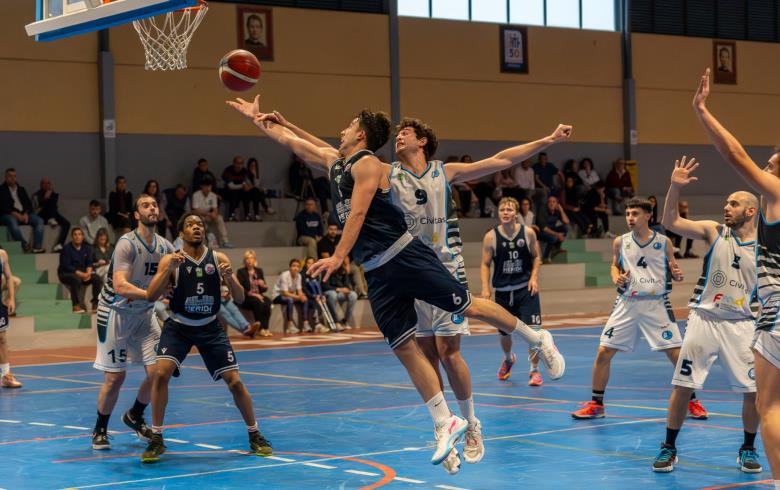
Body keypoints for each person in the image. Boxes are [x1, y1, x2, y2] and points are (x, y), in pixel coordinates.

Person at [229, 96, 566, 466]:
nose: (400, 137)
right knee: (417, 352)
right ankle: (444, 425)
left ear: (421, 141)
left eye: (406, 133)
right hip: (385, 268)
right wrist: (277, 123)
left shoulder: (433, 170)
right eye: (397, 132)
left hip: (428, 261)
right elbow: (319, 150)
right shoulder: (382, 169)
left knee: (451, 351)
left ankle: (495, 391)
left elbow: (500, 161)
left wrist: (547, 140)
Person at [693, 67, 780, 488]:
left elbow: (735, 155)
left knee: (770, 406)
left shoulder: (777, 195)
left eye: (772, 164)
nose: (764, 167)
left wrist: (703, 111)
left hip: (777, 316)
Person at [650, 156, 761, 473]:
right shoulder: (715, 232)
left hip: (742, 324)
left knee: (752, 392)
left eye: (734, 204)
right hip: (704, 319)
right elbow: (670, 222)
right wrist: (674, 186)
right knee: (683, 386)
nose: (727, 207)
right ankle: (668, 447)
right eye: (726, 203)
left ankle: (748, 449)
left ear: (750, 211)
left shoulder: (766, 246)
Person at [140, 212, 273, 462]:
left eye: (199, 225)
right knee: (160, 373)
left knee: (235, 381)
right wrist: (166, 270)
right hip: (179, 326)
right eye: (190, 225)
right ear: (181, 234)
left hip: (210, 327)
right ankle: (156, 437)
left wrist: (229, 278)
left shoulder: (218, 258)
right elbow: (150, 295)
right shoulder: (172, 259)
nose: (196, 228)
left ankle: (255, 433)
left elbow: (241, 297)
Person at [570, 198, 707, 420]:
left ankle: (692, 401)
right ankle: (597, 404)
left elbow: (673, 267)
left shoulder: (663, 242)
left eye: (635, 213)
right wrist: (617, 277)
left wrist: (676, 274)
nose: (630, 218)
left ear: (647, 216)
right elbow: (614, 265)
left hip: (657, 304)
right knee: (604, 352)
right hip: (627, 303)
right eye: (627, 214)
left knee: (676, 354)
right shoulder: (620, 242)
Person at [90, 195, 174, 450]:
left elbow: (174, 280)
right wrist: (150, 294)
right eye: (146, 205)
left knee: (159, 372)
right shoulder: (127, 244)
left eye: (155, 205)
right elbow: (119, 285)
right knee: (115, 378)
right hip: (115, 312)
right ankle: (100, 429)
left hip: (145, 314)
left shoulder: (166, 247)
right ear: (137, 215)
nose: (152, 208)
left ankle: (135, 414)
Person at [481, 198, 544, 387]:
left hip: (525, 290)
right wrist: (485, 288)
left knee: (534, 333)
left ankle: (534, 370)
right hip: (502, 292)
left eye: (509, 209)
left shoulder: (528, 233)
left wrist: (533, 278)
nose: (505, 212)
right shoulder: (491, 237)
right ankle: (509, 359)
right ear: (498, 213)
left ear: (516, 214)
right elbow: (484, 264)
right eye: (502, 209)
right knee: (504, 334)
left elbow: (537, 257)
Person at [0, 168, 45, 253]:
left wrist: (26, 214)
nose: (13, 178)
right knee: (11, 221)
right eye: (10, 176)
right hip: (9, 214)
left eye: (14, 176)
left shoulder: (21, 189)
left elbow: (28, 204)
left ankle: (37, 247)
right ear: (5, 177)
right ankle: (25, 245)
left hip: (24, 214)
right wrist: (15, 214)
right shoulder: (1, 190)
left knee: (39, 220)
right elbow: (2, 206)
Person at [58, 228, 103, 313]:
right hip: (67, 273)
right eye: (75, 234)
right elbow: (66, 266)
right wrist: (82, 275)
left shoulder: (86, 248)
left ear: (82, 237)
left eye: (79, 234)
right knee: (76, 279)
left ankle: (96, 304)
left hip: (83, 272)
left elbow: (89, 262)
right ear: (72, 237)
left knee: (97, 278)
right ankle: (76, 305)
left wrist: (88, 273)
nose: (77, 236)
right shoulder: (66, 248)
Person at [236, 250, 272, 337]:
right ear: (244, 260)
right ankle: (260, 329)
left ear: (254, 260)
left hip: (258, 296)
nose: (249, 260)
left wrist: (264, 286)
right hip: (246, 298)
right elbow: (240, 289)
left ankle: (266, 328)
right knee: (257, 302)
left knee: (267, 302)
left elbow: (263, 289)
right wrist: (254, 295)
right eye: (247, 258)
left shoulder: (259, 271)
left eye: (251, 258)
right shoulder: (241, 272)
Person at [191, 177, 234, 248]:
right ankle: (203, 241)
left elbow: (215, 208)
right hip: (199, 216)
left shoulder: (213, 195)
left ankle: (225, 241)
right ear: (202, 186)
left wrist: (214, 213)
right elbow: (196, 210)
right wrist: (208, 214)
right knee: (199, 219)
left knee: (219, 218)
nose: (208, 188)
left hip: (208, 215)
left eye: (209, 186)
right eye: (206, 186)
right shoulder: (196, 195)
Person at [32, 177, 70, 252]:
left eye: (48, 183)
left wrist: (51, 195)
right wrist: (45, 198)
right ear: (41, 185)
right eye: (44, 183)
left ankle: (59, 245)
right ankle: (51, 219)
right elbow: (36, 208)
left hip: (53, 214)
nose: (46, 185)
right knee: (48, 206)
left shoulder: (53, 194)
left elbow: (54, 206)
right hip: (42, 215)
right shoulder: (36, 195)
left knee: (67, 223)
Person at [272, 259, 310, 334]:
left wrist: (302, 296)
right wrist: (298, 297)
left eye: (298, 266)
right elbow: (285, 293)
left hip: (291, 295)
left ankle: (305, 324)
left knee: (305, 299)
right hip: (278, 295)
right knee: (290, 300)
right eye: (294, 266)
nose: (296, 268)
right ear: (290, 267)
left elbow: (299, 291)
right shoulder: (284, 275)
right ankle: (290, 326)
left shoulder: (299, 276)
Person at [0, 248, 19, 388]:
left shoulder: (2, 254)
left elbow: (9, 277)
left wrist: (11, 298)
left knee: (2, 338)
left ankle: (5, 375)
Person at [323, 258, 357, 330]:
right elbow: (324, 286)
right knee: (333, 294)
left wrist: (347, 289)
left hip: (340, 294)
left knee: (353, 295)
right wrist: (337, 289)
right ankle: (336, 322)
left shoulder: (343, 271)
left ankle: (345, 321)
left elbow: (347, 285)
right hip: (329, 292)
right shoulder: (326, 271)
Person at [539, 195, 570, 263]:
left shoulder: (557, 211)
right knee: (553, 238)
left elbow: (566, 221)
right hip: (541, 232)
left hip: (551, 229)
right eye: (549, 202)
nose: (551, 203)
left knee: (565, 228)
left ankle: (556, 248)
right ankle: (545, 257)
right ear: (547, 204)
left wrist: (561, 210)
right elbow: (544, 228)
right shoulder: (543, 211)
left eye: (554, 202)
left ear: (556, 204)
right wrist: (557, 234)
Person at [222, 156, 251, 221]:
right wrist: (243, 186)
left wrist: (248, 186)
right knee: (234, 194)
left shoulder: (244, 171)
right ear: (234, 163)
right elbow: (231, 186)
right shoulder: (228, 170)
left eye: (241, 163)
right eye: (237, 163)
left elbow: (248, 183)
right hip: (228, 191)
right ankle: (231, 215)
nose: (239, 165)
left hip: (240, 191)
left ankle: (247, 215)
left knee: (247, 194)